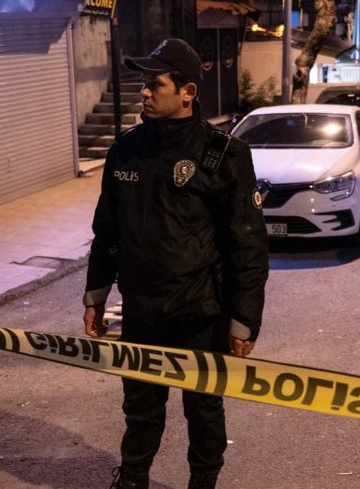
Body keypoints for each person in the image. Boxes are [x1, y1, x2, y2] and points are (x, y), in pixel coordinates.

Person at [82, 38, 270, 489]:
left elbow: (247, 246)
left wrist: (244, 320)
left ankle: (203, 482)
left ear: (187, 92)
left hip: (200, 314)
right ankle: (132, 480)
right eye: (143, 84)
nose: (144, 93)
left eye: (155, 84)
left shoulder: (223, 155)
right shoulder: (126, 149)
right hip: (142, 310)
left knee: (203, 410)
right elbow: (107, 230)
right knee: (140, 408)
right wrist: (95, 294)